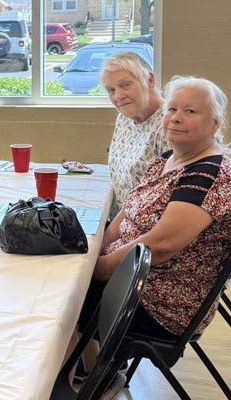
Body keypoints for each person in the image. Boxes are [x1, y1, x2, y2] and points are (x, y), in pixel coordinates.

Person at [75, 76, 231, 398]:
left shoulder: (211, 173)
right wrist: (95, 252)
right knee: (65, 279)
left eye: (190, 111)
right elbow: (126, 213)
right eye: (172, 108)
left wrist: (100, 268)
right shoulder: (166, 160)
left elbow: (160, 246)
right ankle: (92, 373)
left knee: (65, 300)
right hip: (132, 279)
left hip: (160, 301)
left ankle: (84, 382)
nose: (175, 117)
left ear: (214, 123)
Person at [100, 52, 169, 218]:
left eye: (125, 85)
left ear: (149, 80)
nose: (118, 96)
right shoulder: (124, 118)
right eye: (111, 90)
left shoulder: (171, 123)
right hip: (122, 223)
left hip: (148, 231)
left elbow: (169, 199)